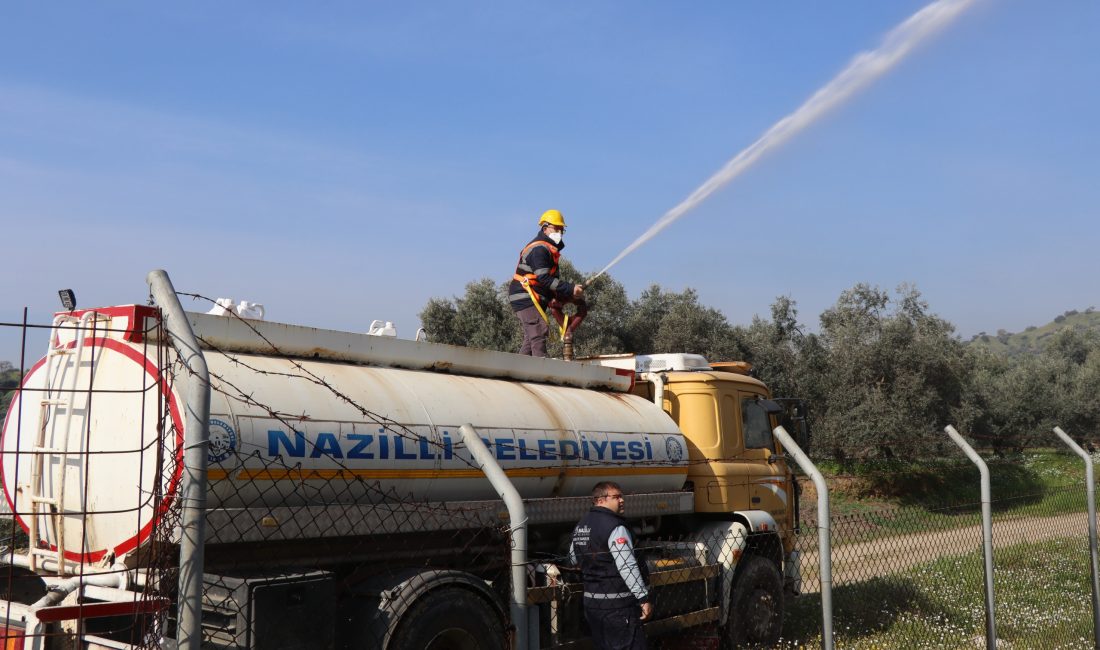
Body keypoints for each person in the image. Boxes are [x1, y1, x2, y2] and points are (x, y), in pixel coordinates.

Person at [569, 481, 652, 650]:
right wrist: (642, 598)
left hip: (592, 605)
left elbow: (572, 558)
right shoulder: (615, 527)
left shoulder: (581, 526)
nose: (622, 500)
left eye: (622, 496)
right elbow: (627, 565)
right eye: (616, 497)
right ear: (600, 500)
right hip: (618, 605)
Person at [509, 209, 584, 357]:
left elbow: (550, 283)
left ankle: (518, 369)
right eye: (556, 229)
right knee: (538, 330)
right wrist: (570, 289)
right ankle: (540, 371)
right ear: (545, 228)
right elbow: (544, 279)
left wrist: (567, 293)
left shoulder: (549, 250)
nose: (560, 233)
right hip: (524, 295)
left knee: (531, 338)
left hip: (532, 296)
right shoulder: (539, 249)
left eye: (562, 230)